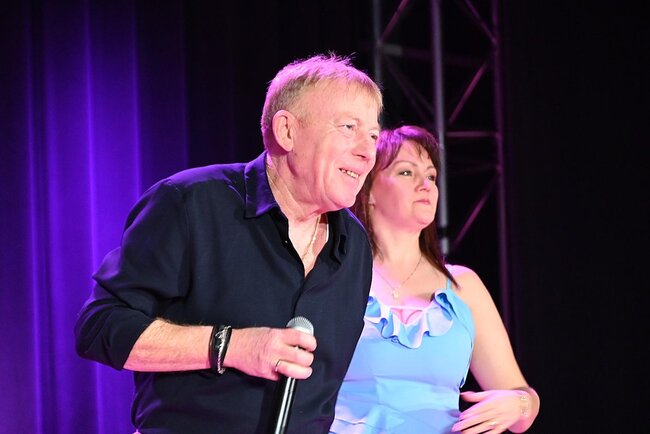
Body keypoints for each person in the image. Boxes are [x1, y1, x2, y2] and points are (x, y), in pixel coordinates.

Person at [74, 53, 383, 433]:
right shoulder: (191, 203)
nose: (367, 151)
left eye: (373, 135)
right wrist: (230, 346)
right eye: (348, 127)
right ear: (287, 131)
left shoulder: (354, 246)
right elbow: (100, 327)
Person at [330, 125, 540, 433]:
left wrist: (518, 404)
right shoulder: (337, 278)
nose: (426, 185)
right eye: (406, 172)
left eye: (430, 176)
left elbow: (522, 400)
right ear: (369, 191)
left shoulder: (463, 286)